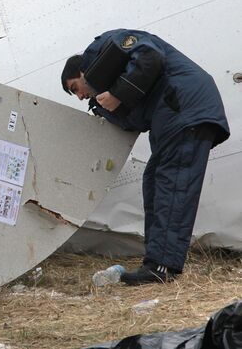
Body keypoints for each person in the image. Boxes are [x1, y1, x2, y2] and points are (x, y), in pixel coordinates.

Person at [61, 29, 229, 285]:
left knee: (172, 186)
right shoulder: (109, 81)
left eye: (75, 88)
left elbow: (150, 55)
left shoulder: (103, 48)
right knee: (154, 182)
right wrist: (105, 108)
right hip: (175, 115)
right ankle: (156, 262)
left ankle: (162, 267)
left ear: (82, 71)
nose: (80, 96)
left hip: (184, 108)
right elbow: (134, 120)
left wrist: (117, 94)